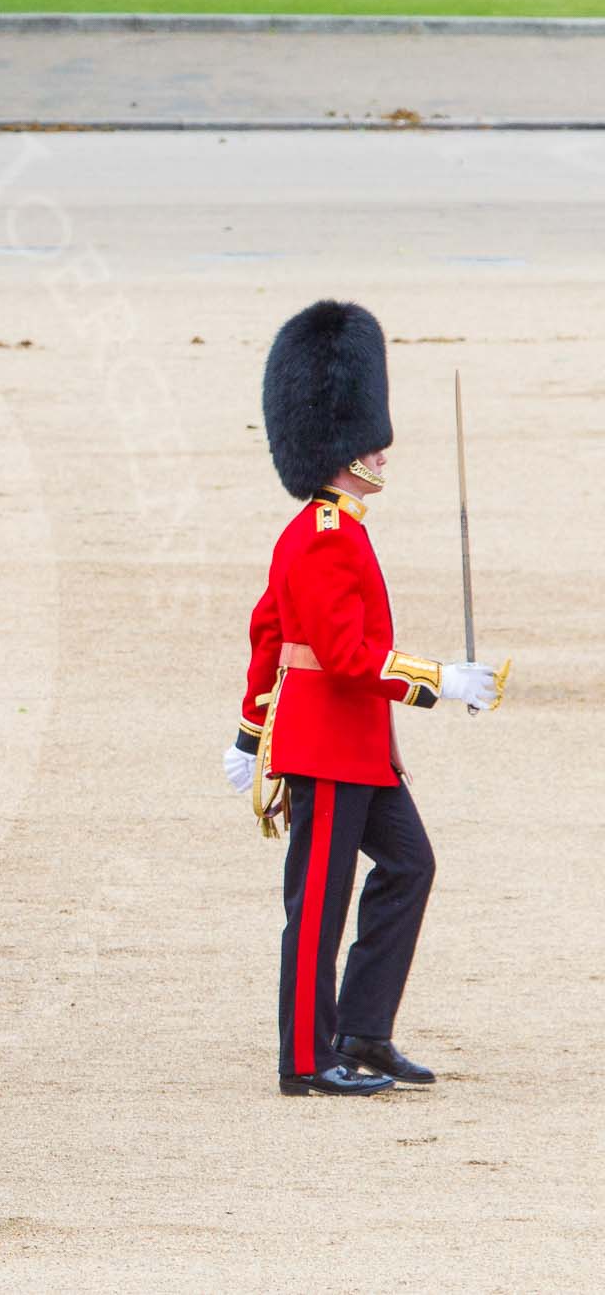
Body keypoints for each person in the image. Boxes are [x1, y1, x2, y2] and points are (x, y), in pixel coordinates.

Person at [223, 300, 506, 1097]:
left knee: (410, 866)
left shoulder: (337, 529)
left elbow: (267, 634)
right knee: (317, 905)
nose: (384, 449)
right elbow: (343, 657)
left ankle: (363, 1028)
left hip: (357, 746)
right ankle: (306, 1061)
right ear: (346, 448)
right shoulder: (319, 535)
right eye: (371, 440)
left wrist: (247, 735)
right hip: (325, 744)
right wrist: (440, 681)